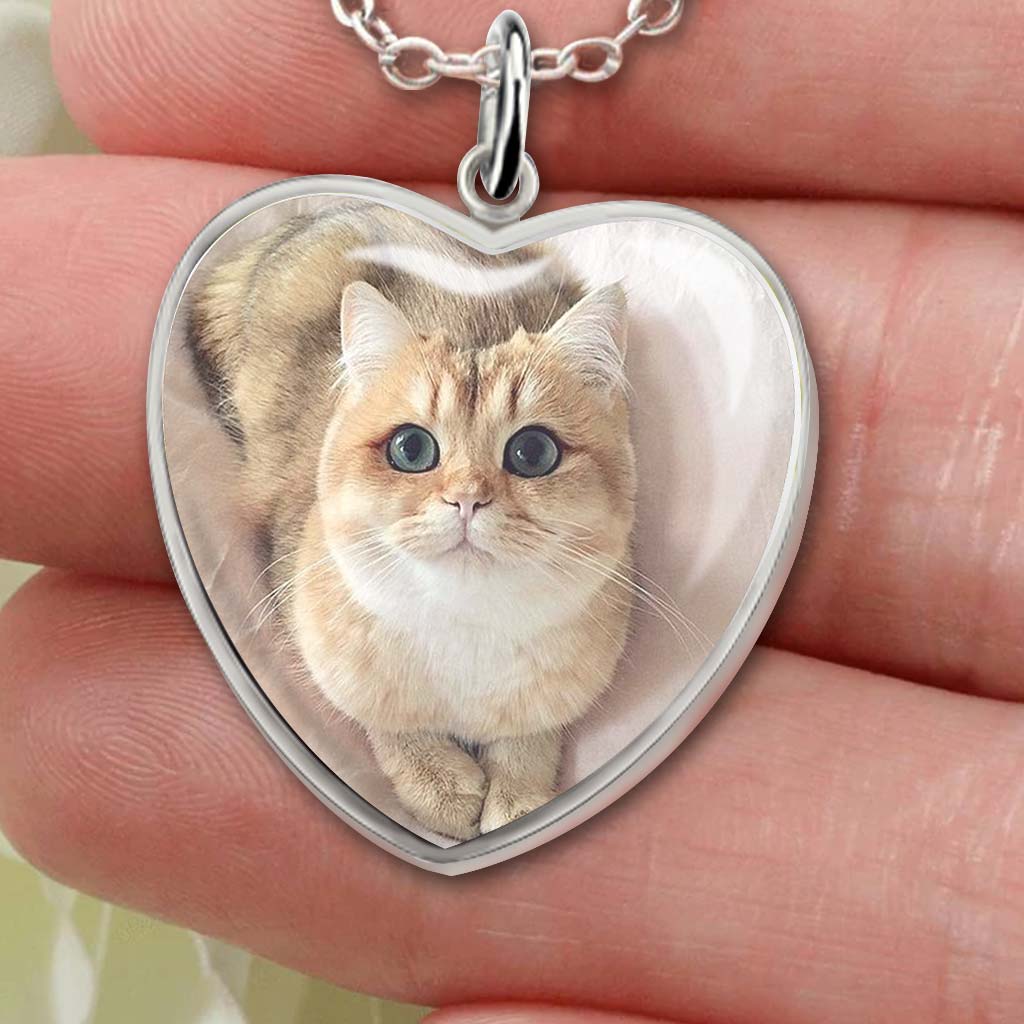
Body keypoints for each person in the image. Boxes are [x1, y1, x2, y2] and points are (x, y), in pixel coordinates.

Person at [0, 2, 1022, 1022]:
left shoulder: (597, 597)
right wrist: (404, 745)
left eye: (528, 456)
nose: (466, 493)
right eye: (414, 453)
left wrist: (531, 751)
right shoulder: (327, 594)